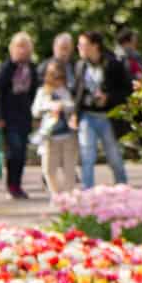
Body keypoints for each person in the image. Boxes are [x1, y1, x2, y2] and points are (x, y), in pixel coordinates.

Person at [74, 29, 131, 187]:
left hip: (108, 117)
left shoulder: (114, 64)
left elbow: (127, 91)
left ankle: (123, 187)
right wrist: (75, 114)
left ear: (95, 46)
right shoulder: (80, 66)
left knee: (114, 157)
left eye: (83, 45)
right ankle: (87, 193)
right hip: (87, 115)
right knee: (87, 156)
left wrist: (109, 97)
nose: (79, 48)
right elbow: (77, 93)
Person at [0, 32, 39, 200]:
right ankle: (11, 185)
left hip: (24, 115)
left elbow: (34, 92)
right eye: (19, 47)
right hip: (8, 115)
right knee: (14, 151)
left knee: (21, 153)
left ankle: (17, 184)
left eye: (25, 47)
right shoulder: (7, 68)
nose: (22, 50)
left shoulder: (32, 68)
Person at [32, 61, 79, 197]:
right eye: (54, 76)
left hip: (68, 135)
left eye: (60, 76)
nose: (58, 79)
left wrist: (63, 105)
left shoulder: (68, 90)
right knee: (48, 169)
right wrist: (50, 106)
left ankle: (69, 197)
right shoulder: (42, 92)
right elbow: (35, 111)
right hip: (50, 135)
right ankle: (56, 196)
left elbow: (74, 106)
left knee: (69, 169)